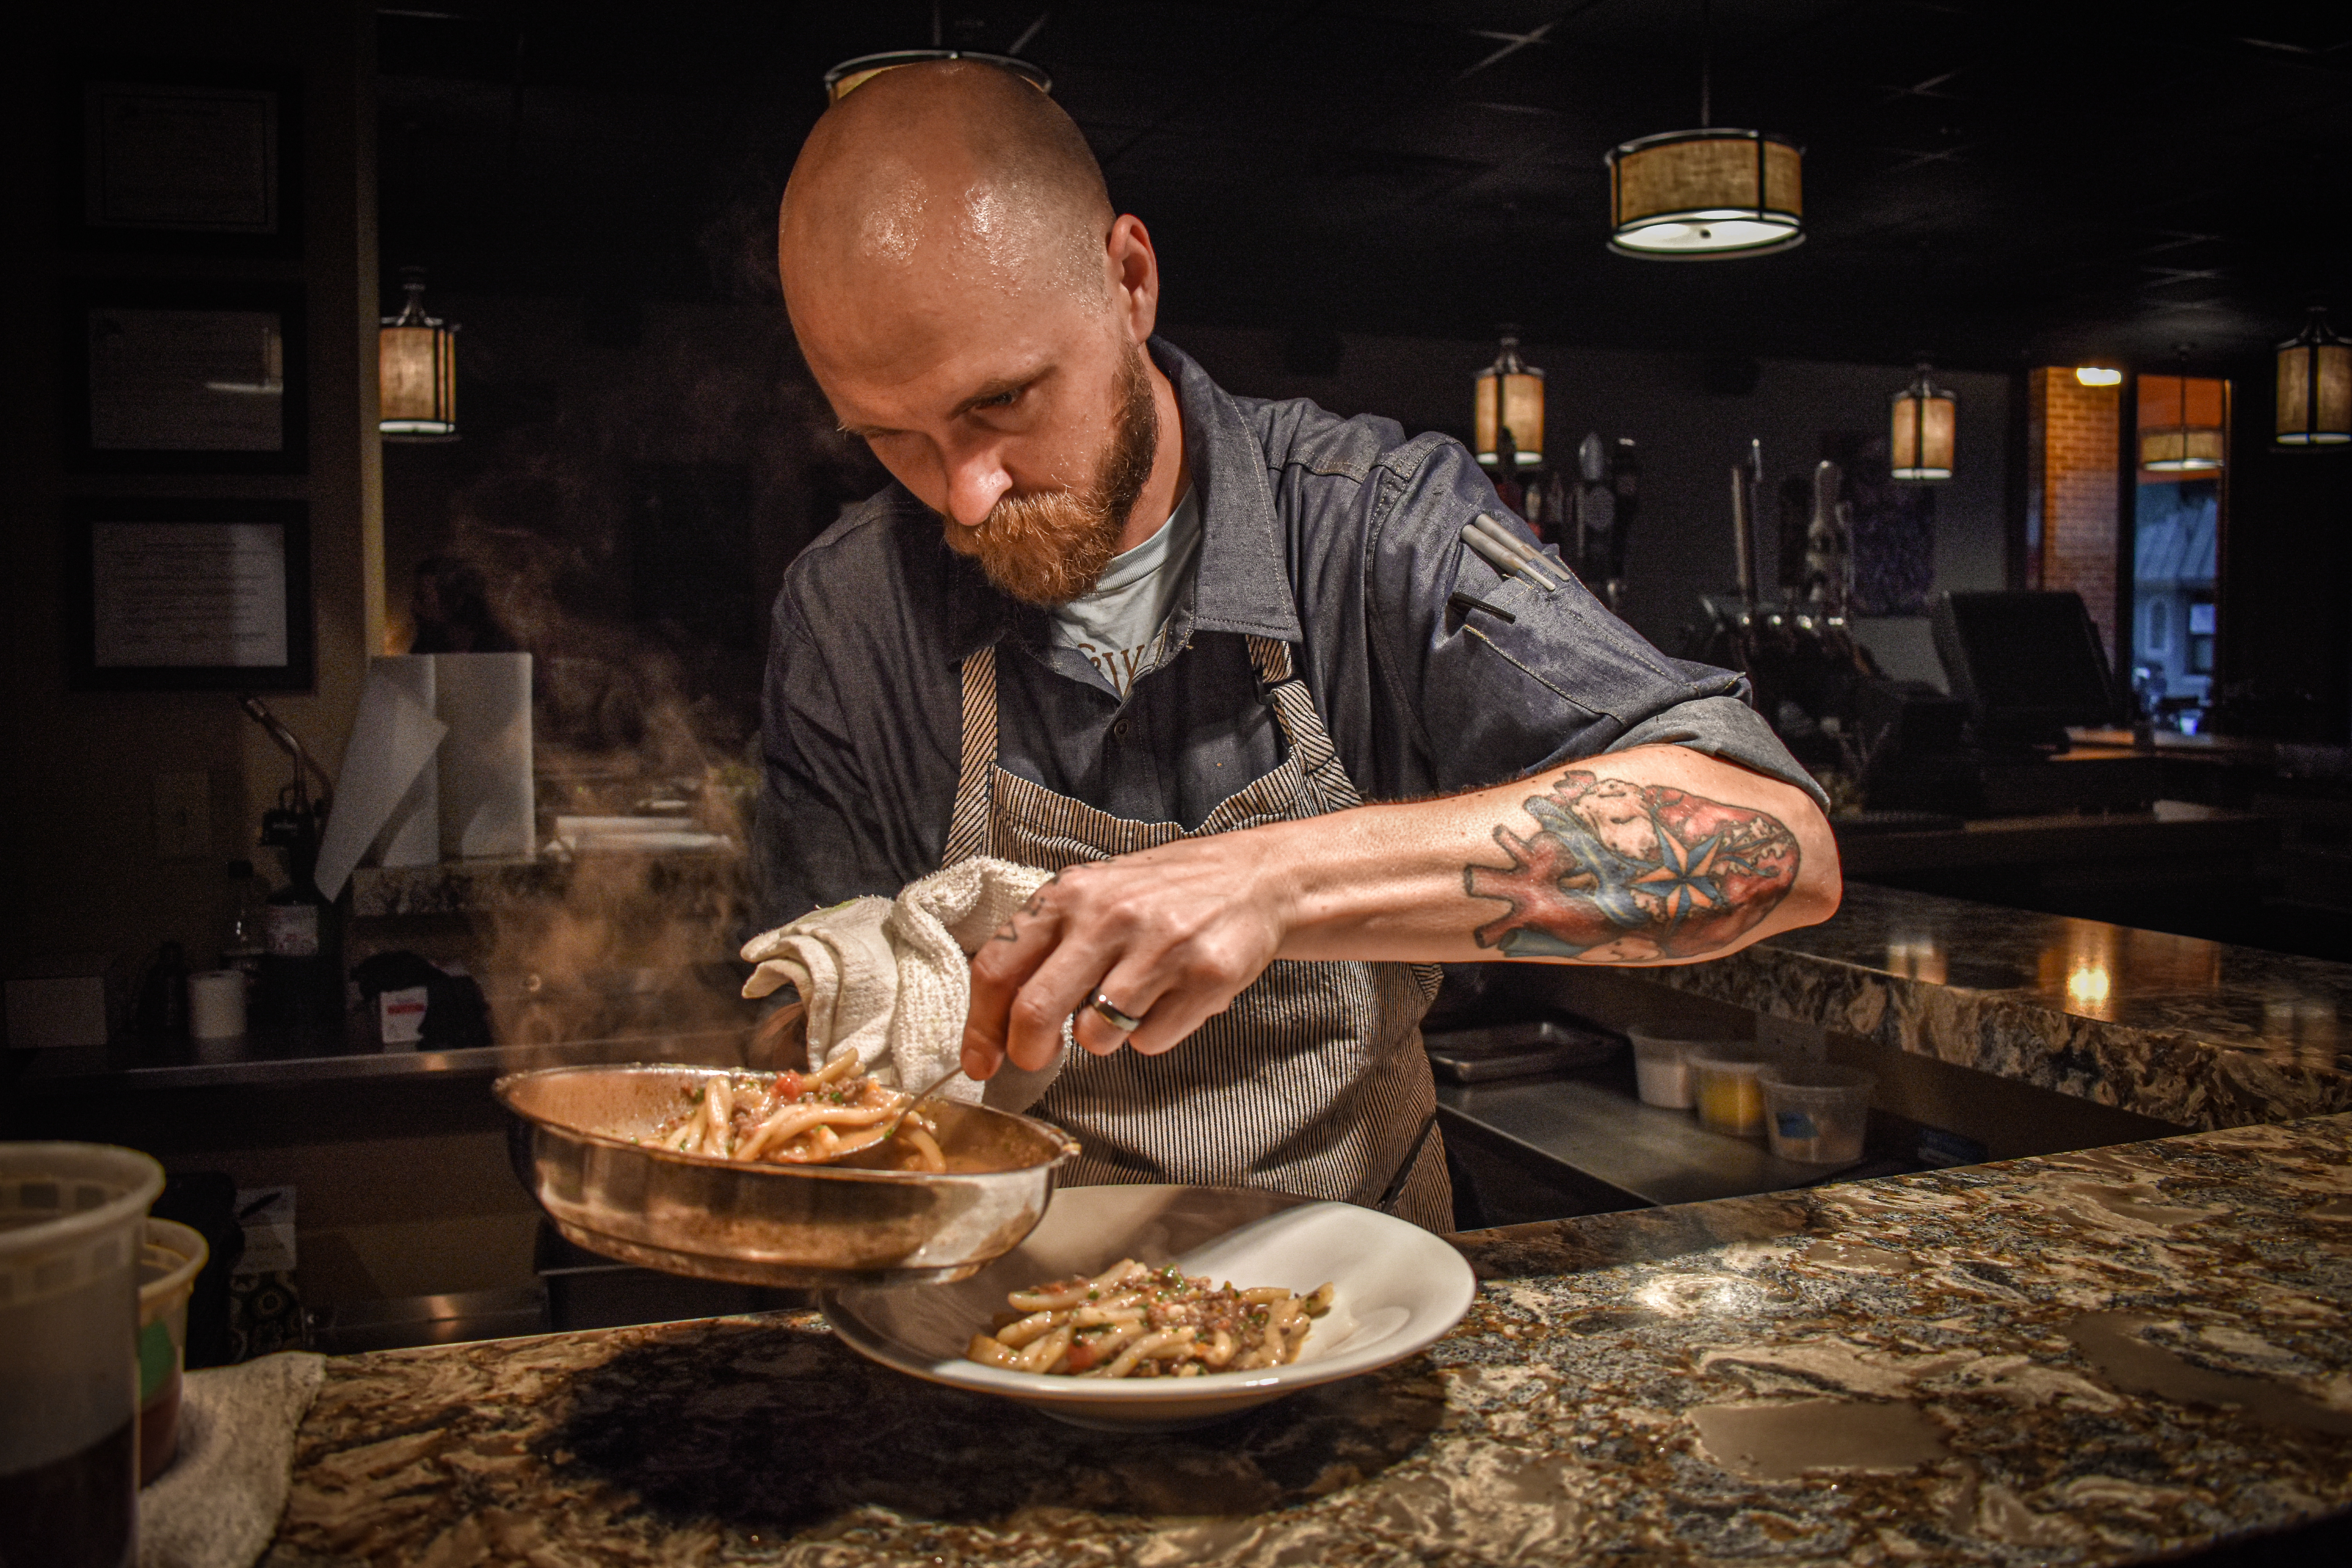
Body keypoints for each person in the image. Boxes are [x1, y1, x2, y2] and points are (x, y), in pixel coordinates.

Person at [759, 60, 1840, 1229]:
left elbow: (1779, 846)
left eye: (1004, 402)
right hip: (989, 1310)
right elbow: (800, 1018)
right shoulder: (849, 606)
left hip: (1368, 1287)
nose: (964, 498)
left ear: (1128, 280)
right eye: (893, 438)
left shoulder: (1372, 520)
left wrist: (1272, 880)